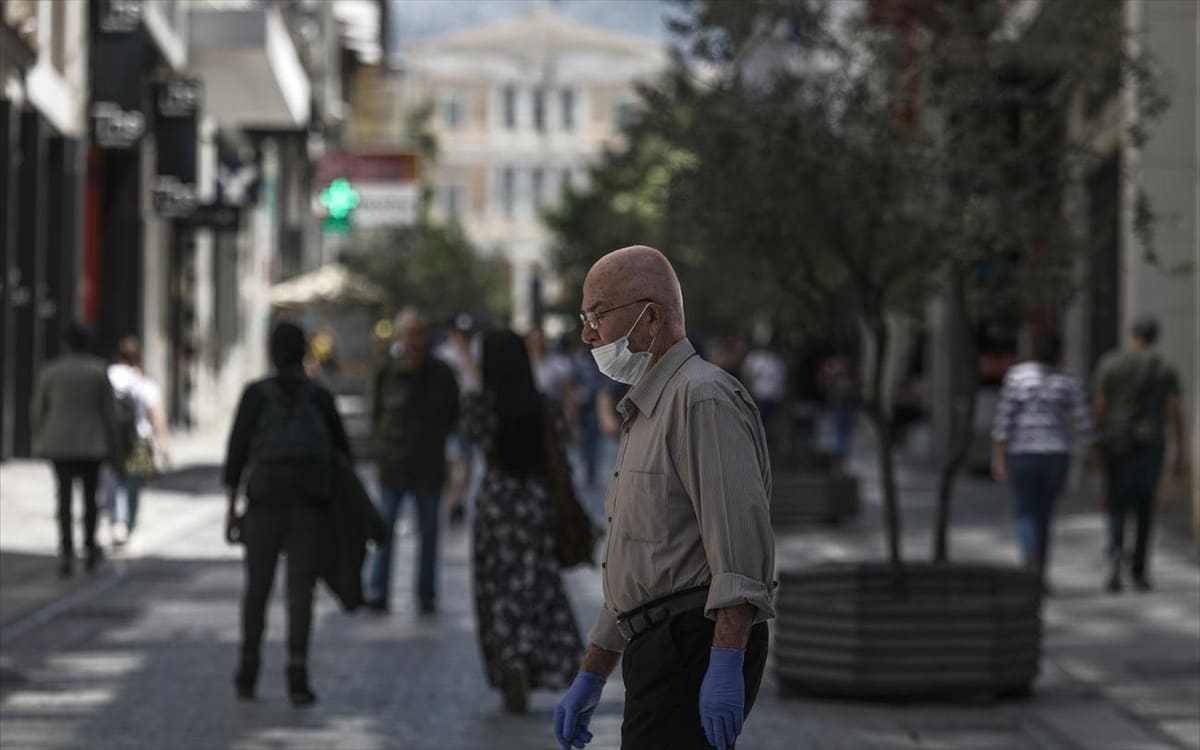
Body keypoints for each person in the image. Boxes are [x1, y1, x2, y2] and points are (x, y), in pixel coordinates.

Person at [554, 246, 775, 750]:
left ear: (650, 317)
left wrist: (724, 663)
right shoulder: (650, 406)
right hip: (658, 647)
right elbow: (640, 558)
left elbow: (738, 548)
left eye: (597, 316)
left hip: (692, 646)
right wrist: (594, 669)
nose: (588, 334)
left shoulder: (702, 398)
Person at [223, 322, 352, 706]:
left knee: (257, 590)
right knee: (300, 593)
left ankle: (248, 669)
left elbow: (236, 455)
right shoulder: (320, 397)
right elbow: (343, 455)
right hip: (309, 508)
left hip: (264, 504)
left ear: (270, 352)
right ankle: (297, 674)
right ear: (304, 353)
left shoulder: (255, 395)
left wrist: (232, 510)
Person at [461, 330, 585, 714]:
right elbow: (562, 441)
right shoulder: (542, 404)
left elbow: (473, 438)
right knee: (535, 581)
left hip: (496, 502)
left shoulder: (481, 405)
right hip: (534, 502)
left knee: (496, 586)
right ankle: (538, 654)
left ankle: (508, 655)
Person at [366, 308, 460, 614]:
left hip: (428, 466)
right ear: (400, 336)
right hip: (393, 465)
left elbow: (452, 417)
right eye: (410, 333)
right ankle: (378, 591)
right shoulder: (386, 372)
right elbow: (376, 414)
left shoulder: (442, 374)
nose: (415, 340)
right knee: (385, 532)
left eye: (419, 333)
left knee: (430, 534)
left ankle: (426, 594)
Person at [1092, 315, 1188, 593]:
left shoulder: (1111, 363)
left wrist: (1095, 443)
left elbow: (1099, 405)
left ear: (1132, 334)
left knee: (1117, 506)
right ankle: (1139, 570)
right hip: (1150, 444)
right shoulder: (1164, 368)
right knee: (1145, 508)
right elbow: (1174, 412)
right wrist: (1180, 451)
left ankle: (1114, 563)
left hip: (1117, 442)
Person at [991, 332, 1095, 588]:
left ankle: (1031, 566)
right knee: (1045, 513)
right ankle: (1041, 571)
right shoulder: (1068, 380)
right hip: (1056, 454)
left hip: (1023, 452)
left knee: (1026, 510)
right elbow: (1083, 421)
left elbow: (1004, 420)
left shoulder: (1017, 377)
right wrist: (1090, 449)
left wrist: (998, 456)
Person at [31, 323, 120, 578]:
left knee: (64, 498)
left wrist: (40, 436)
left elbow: (38, 409)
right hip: (92, 444)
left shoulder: (51, 371)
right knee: (91, 498)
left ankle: (66, 550)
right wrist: (115, 447)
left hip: (60, 443)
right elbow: (109, 413)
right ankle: (90, 546)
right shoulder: (98, 371)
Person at [105, 336, 170, 546]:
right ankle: (129, 524)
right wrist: (164, 445)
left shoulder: (107, 376)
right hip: (139, 439)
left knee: (113, 482)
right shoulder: (144, 382)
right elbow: (156, 415)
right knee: (133, 486)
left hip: (112, 440)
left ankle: (117, 522)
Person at [435, 313, 481, 526]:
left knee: (467, 464)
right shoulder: (443, 355)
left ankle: (456, 500)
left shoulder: (475, 353)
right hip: (446, 416)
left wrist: (468, 358)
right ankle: (451, 501)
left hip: (469, 414)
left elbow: (479, 385)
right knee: (451, 463)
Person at [741, 338, 788, 453]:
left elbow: (781, 379)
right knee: (759, 421)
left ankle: (769, 445)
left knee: (770, 423)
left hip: (773, 397)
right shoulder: (757, 359)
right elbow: (748, 375)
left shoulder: (777, 361)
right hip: (760, 395)